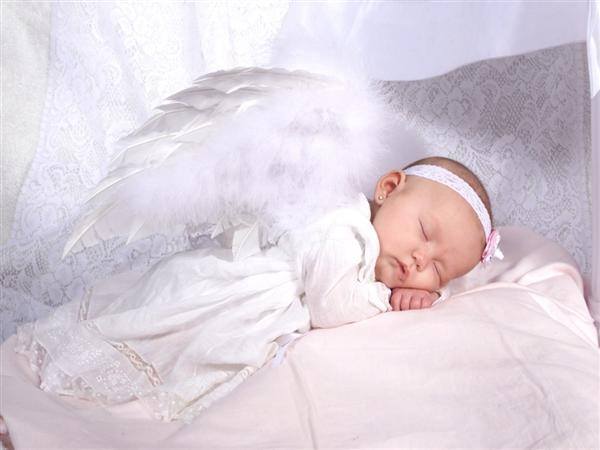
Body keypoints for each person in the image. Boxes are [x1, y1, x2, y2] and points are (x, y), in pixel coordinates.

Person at [14, 151, 501, 423]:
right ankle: (45, 414)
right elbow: (333, 306)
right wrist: (388, 300)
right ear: (388, 189)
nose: (420, 261)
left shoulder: (366, 240)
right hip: (223, 294)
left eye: (439, 271)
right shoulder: (343, 228)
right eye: (424, 233)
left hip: (242, 295)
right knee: (162, 352)